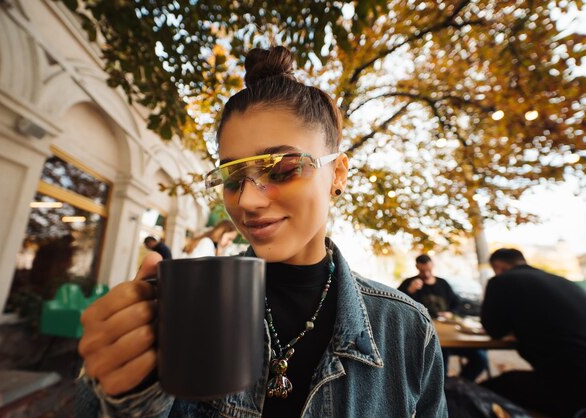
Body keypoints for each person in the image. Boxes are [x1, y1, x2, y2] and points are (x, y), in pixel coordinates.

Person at [75, 46, 447, 417]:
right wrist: (122, 391)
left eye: (282, 169)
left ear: (337, 174)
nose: (248, 201)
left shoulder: (406, 329)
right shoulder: (183, 308)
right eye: (233, 177)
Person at [480, 248, 586, 418]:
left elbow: (494, 329)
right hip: (575, 376)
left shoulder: (501, 281)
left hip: (570, 385)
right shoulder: (564, 281)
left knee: (480, 392)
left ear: (498, 266)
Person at [398, 254, 488, 381]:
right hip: (426, 333)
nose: (426, 274)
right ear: (417, 268)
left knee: (480, 358)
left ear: (432, 266)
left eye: (428, 270)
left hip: (450, 331)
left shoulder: (442, 283)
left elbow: (457, 303)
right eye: (422, 271)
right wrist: (409, 291)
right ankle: (444, 388)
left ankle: (460, 385)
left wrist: (451, 313)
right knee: (440, 358)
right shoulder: (409, 283)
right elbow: (397, 306)